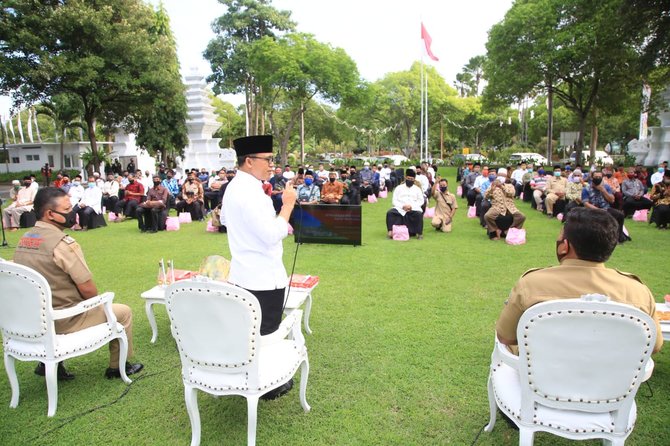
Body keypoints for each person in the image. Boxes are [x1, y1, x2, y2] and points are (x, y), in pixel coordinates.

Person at [13, 187, 144, 379]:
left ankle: (49, 364)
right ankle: (117, 368)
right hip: (64, 319)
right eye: (67, 210)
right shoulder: (62, 244)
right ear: (50, 214)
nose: (72, 213)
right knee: (122, 312)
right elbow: (88, 290)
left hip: (33, 318)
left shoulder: (25, 239)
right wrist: (96, 306)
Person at [495, 207, 663, 355]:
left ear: (564, 246)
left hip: (541, 383)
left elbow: (505, 336)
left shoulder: (531, 284)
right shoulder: (638, 291)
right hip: (611, 387)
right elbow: (654, 346)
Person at [222, 135, 296, 400]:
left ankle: (251, 376)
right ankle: (269, 385)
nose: (272, 165)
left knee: (250, 333)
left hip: (244, 272)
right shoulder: (250, 191)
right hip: (263, 276)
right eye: (268, 160)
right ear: (249, 161)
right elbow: (272, 234)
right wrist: (287, 205)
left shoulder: (234, 186)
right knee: (267, 334)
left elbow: (225, 219)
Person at [581, 170, 627, 243]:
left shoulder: (606, 187)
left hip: (606, 209)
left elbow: (612, 200)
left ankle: (618, 236)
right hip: (592, 210)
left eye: (600, 177)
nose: (598, 178)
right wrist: (598, 210)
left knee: (620, 215)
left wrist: (603, 190)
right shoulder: (586, 189)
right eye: (596, 177)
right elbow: (585, 203)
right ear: (592, 178)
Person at [484, 168, 526, 240]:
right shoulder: (492, 185)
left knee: (522, 217)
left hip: (510, 207)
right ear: (497, 176)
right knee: (487, 216)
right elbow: (486, 197)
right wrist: (492, 190)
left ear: (506, 177)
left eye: (503, 175)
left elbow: (512, 193)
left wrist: (502, 187)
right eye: (500, 175)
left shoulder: (510, 186)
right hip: (497, 207)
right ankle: (494, 231)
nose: (501, 177)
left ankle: (510, 230)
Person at [385, 169, 424, 240]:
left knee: (418, 214)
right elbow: (394, 201)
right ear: (405, 177)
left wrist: (411, 206)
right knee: (390, 213)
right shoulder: (398, 188)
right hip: (400, 208)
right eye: (408, 178)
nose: (410, 180)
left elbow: (421, 201)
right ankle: (390, 231)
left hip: (413, 208)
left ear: (414, 179)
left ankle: (419, 233)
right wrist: (402, 206)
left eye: (412, 179)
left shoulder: (417, 189)